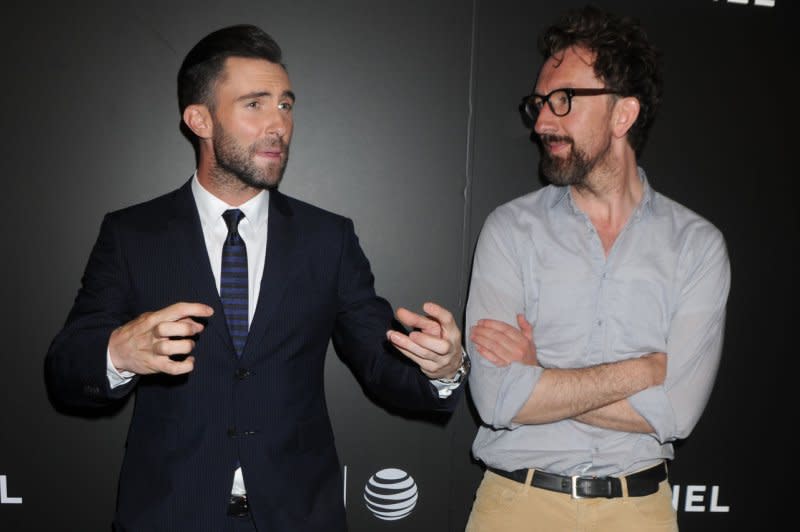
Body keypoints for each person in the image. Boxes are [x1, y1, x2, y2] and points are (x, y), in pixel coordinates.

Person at [44, 25, 469, 532]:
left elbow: (381, 362)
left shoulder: (327, 239)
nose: (278, 125)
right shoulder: (133, 234)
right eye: (255, 105)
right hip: (169, 515)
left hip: (298, 517)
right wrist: (118, 352)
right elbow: (66, 369)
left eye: (286, 106)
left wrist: (443, 369)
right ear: (199, 119)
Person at [464, 5, 730, 532]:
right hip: (517, 505)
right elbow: (496, 397)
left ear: (623, 115)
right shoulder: (509, 230)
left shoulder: (696, 246)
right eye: (539, 104)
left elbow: (676, 413)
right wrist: (643, 371)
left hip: (640, 512)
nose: (541, 122)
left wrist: (542, 377)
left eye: (563, 101)